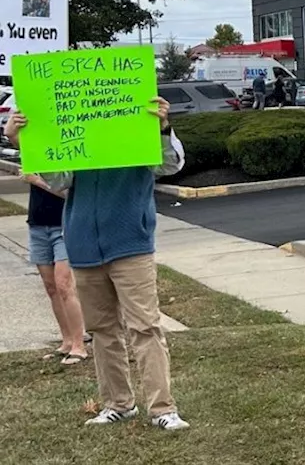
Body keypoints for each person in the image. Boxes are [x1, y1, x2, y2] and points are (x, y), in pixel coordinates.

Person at [6, 97, 191, 430]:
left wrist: (163, 128)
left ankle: (162, 408)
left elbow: (169, 165)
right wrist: (24, 141)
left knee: (144, 327)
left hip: (131, 243)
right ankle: (119, 404)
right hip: (83, 244)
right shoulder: (75, 138)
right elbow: (59, 179)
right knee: (103, 330)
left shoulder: (139, 129)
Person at [22, 174, 88, 365]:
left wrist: (37, 181)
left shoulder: (66, 161)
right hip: (38, 225)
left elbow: (72, 194)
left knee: (64, 284)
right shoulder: (37, 157)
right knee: (51, 287)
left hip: (63, 226)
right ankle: (67, 341)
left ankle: (79, 345)